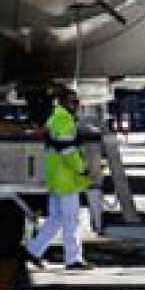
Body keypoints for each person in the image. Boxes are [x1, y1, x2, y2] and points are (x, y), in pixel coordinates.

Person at [25, 87, 92, 270]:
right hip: (66, 179)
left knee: (56, 218)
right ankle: (73, 259)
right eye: (72, 101)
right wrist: (83, 169)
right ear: (63, 102)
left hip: (56, 177)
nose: (76, 105)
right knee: (71, 220)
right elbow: (67, 150)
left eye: (76, 101)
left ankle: (34, 250)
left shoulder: (55, 118)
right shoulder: (63, 120)